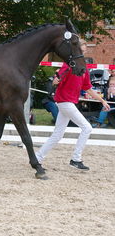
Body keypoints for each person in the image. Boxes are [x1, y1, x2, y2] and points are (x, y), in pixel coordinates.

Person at [35, 40, 110, 171]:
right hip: (64, 101)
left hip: (68, 102)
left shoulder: (84, 69)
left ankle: (38, 157)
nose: (83, 52)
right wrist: (55, 81)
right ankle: (76, 159)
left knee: (58, 134)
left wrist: (102, 101)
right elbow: (56, 80)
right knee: (87, 128)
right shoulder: (69, 64)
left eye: (84, 50)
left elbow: (88, 89)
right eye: (81, 50)